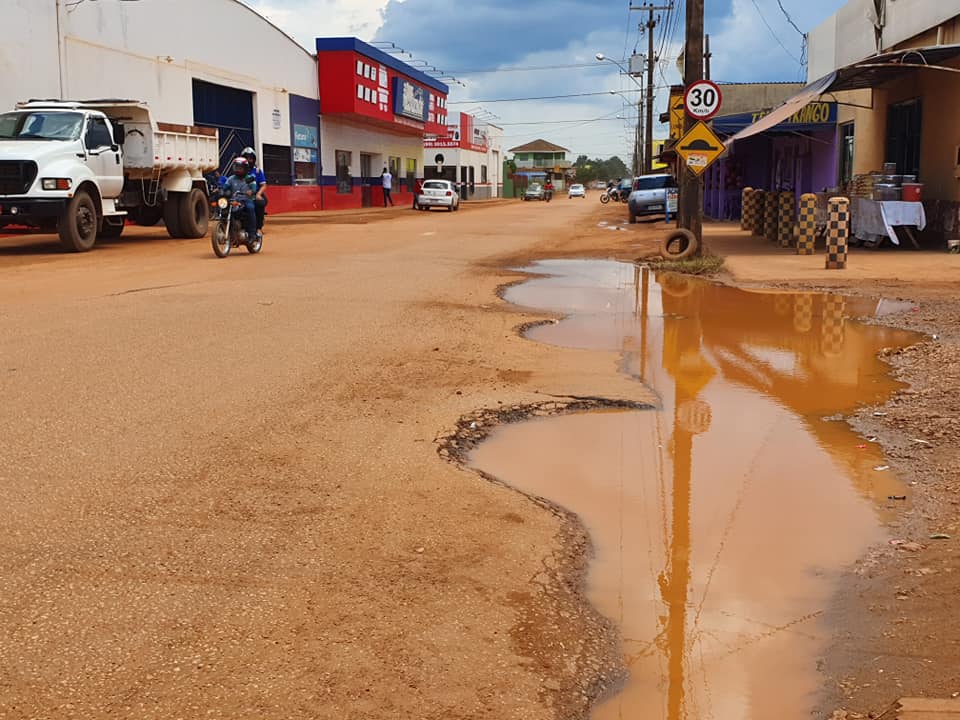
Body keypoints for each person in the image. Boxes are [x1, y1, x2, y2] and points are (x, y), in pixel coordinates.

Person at [222, 157, 258, 240]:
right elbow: (225, 187)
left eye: (240, 168)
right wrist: (221, 190)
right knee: (223, 211)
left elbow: (254, 188)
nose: (238, 170)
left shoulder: (249, 178)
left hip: (246, 200)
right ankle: (229, 230)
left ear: (245, 168)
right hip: (234, 200)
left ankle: (252, 234)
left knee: (250, 208)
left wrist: (251, 192)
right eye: (236, 167)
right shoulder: (231, 179)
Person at [240, 147, 267, 238]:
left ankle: (258, 227)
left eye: (250, 158)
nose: (248, 160)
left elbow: (263, 185)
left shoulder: (257, 171)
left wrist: (258, 194)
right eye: (246, 158)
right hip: (241, 195)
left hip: (254, 194)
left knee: (259, 203)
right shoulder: (238, 171)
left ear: (254, 159)